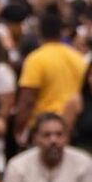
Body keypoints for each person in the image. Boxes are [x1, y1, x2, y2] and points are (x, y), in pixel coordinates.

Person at [13, 7, 87, 141]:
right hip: (73, 125)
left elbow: (27, 100)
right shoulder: (77, 57)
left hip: (43, 129)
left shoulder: (35, 59)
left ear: (39, 32)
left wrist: (19, 129)